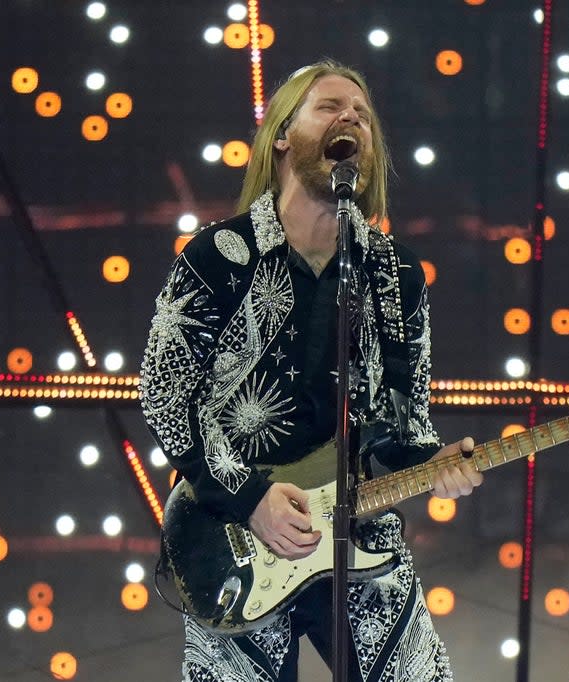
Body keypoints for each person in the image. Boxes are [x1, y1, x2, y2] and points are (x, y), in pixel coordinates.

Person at [139, 60, 483, 682]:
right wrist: (250, 501)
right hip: (234, 537)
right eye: (329, 107)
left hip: (360, 536)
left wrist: (436, 465)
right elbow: (166, 396)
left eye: (362, 114)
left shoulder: (395, 275)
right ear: (281, 135)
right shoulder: (220, 257)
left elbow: (404, 426)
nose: (350, 117)